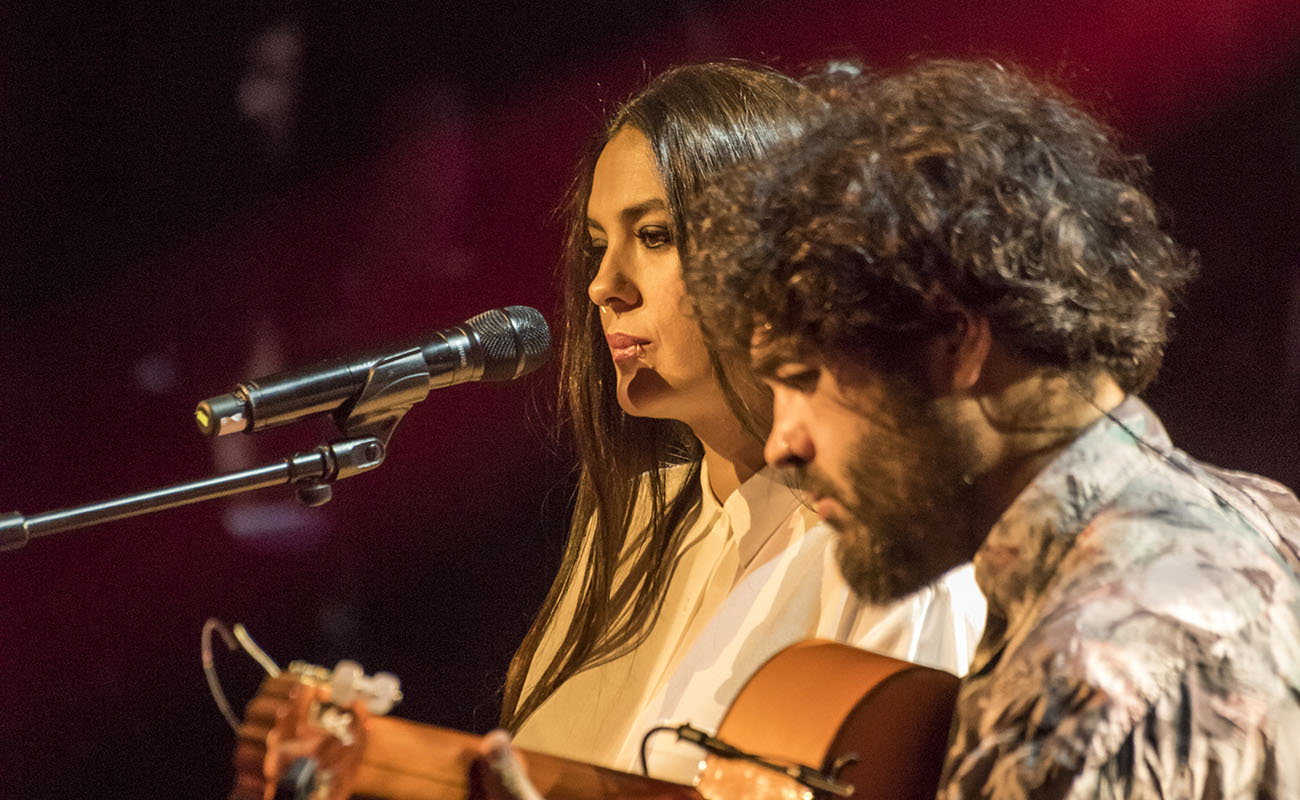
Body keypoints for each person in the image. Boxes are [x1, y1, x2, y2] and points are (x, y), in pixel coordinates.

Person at [680, 59, 1300, 797]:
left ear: (956, 340)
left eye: (804, 379)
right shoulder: (1269, 516)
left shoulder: (1083, 683)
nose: (783, 443)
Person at [499, 62, 986, 784]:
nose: (604, 285)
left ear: (777, 260)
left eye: (657, 236)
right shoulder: (631, 522)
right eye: (600, 242)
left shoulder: (897, 559)